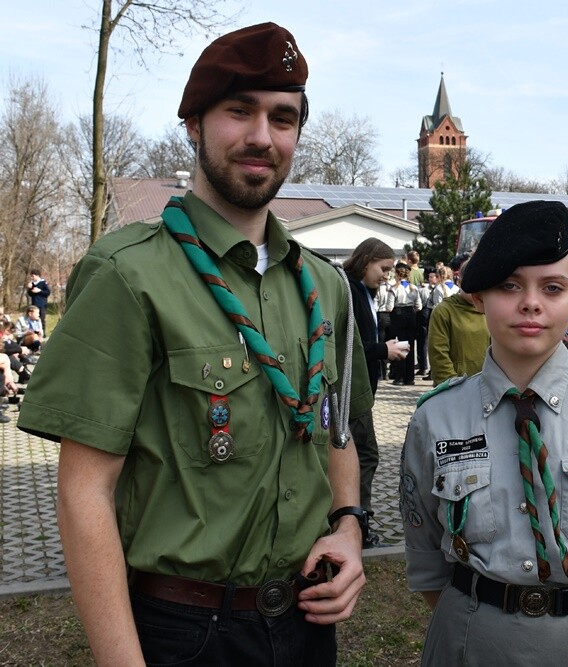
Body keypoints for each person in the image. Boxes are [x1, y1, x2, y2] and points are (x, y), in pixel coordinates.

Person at [17, 23, 374, 666]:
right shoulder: (129, 274)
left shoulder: (327, 288)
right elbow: (84, 492)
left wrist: (349, 528)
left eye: (283, 117)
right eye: (240, 111)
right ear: (193, 123)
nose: (262, 136)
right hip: (183, 632)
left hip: (305, 623)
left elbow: (337, 431)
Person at [399, 200, 568, 665]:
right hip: (470, 642)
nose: (530, 302)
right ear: (478, 298)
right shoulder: (436, 417)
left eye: (552, 287)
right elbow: (426, 558)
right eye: (509, 286)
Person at [343, 238, 410, 547]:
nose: (387, 275)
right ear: (366, 260)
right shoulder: (351, 291)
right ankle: (359, 523)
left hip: (361, 389)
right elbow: (350, 346)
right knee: (366, 455)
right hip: (352, 392)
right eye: (383, 268)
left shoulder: (363, 291)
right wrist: (384, 350)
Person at [426, 262, 490, 385]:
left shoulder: (491, 310)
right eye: (471, 282)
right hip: (456, 387)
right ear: (459, 282)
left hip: (488, 385)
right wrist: (452, 385)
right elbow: (438, 353)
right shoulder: (443, 311)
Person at [387, 261, 422, 385]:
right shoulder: (414, 288)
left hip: (398, 313)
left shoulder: (394, 289)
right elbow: (419, 306)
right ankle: (410, 377)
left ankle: (400, 377)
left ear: (397, 274)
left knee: (401, 344)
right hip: (411, 314)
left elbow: (389, 307)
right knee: (410, 345)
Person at [25, 269, 51, 335]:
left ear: (37, 275)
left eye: (33, 276)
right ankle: (34, 332)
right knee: (33, 319)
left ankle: (43, 334)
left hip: (42, 304)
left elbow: (47, 292)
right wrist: (29, 288)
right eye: (31, 276)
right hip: (34, 304)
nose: (32, 278)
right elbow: (30, 294)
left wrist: (40, 291)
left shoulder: (43, 283)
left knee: (41, 319)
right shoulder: (32, 284)